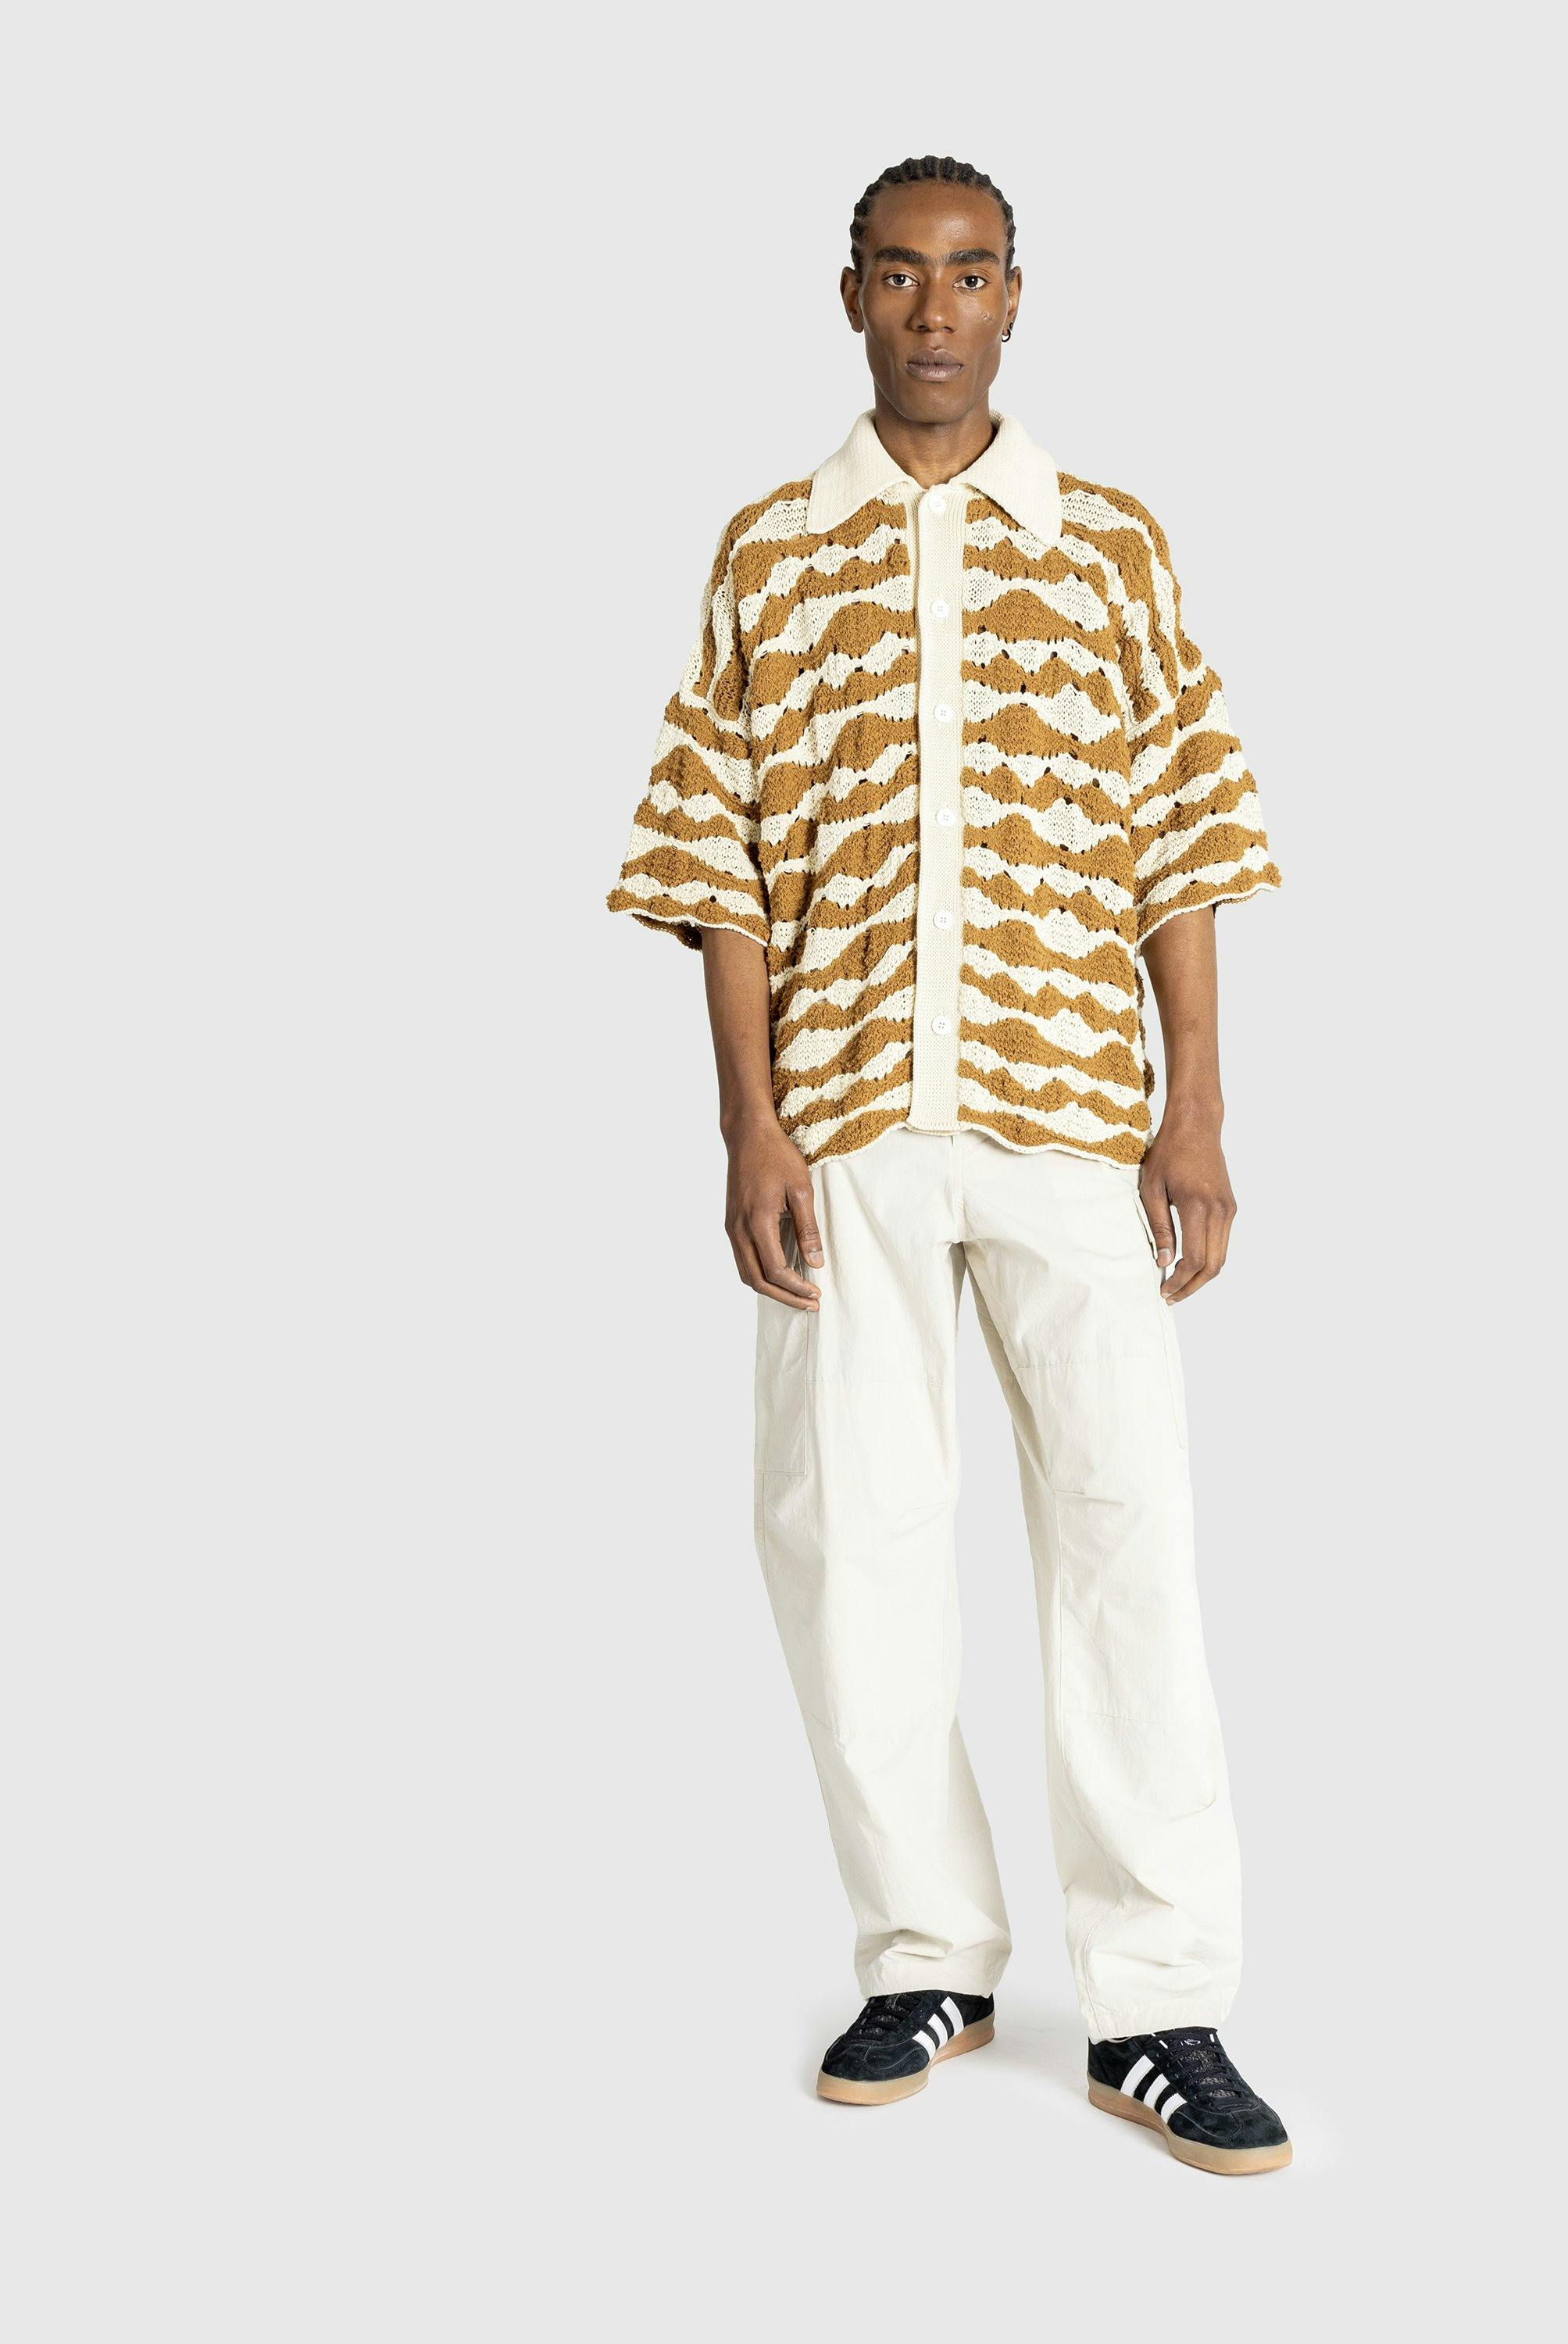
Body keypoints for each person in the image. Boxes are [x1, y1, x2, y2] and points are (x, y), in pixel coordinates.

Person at [607, 154, 1290, 2177]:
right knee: (854, 1544)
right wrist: (747, 1120)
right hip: (844, 1123)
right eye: (899, 275)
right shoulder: (769, 547)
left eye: (969, 274)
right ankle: (928, 1956)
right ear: (849, 297)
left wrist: (1196, 1109)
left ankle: (1158, 2004)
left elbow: (1182, 828)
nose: (933, 309)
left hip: (1071, 1111)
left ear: (1014, 297)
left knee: (1126, 1536)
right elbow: (719, 853)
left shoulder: (1108, 543)